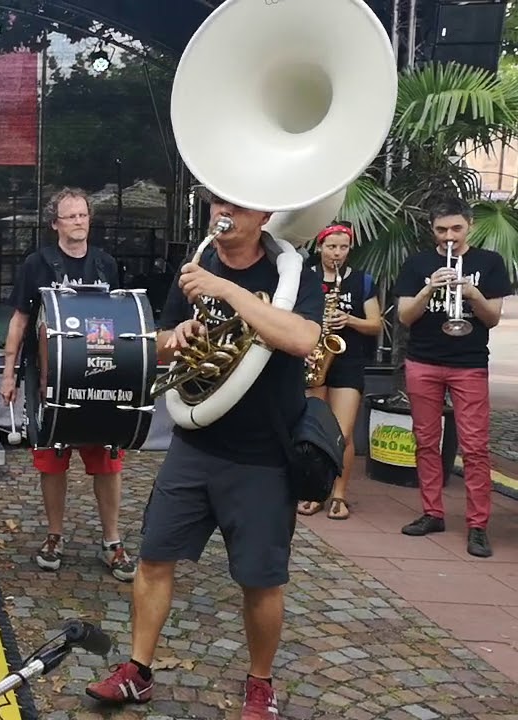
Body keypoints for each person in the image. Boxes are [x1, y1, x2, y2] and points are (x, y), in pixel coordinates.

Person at [86, 193, 323, 720]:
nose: (225, 212)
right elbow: (159, 339)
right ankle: (138, 671)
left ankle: (260, 685)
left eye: (239, 205)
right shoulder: (197, 265)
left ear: (265, 216)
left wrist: (225, 291)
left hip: (263, 454)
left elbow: (303, 338)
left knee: (261, 579)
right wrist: (179, 337)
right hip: (195, 445)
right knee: (153, 558)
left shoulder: (292, 273)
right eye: (219, 201)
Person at [0, 187, 136, 581]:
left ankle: (112, 541)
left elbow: (120, 320)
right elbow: (20, 320)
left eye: (83, 216)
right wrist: (9, 373)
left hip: (100, 375)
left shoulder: (107, 264)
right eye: (70, 216)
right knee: (52, 461)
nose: (78, 222)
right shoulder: (36, 264)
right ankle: (54, 536)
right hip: (47, 378)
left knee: (108, 461)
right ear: (55, 223)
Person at [393, 197, 508, 558]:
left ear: (469, 226)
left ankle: (478, 525)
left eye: (456, 228)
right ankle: (432, 512)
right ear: (432, 230)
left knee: (474, 447)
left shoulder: (489, 263)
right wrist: (429, 288)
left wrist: (471, 292)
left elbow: (492, 318)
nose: (449, 237)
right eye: (442, 230)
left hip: (469, 362)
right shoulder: (418, 264)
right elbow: (404, 317)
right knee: (426, 441)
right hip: (423, 361)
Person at [297, 224, 381, 521]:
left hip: (348, 360)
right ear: (320, 247)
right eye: (332, 247)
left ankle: (340, 493)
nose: (337, 253)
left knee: (343, 432)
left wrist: (350, 320)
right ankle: (312, 489)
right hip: (314, 358)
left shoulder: (361, 281)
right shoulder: (307, 278)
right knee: (313, 429)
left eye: (343, 247)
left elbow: (376, 324)